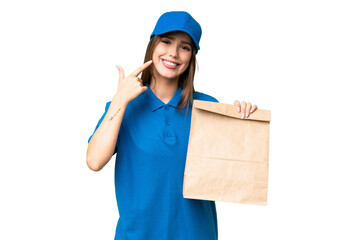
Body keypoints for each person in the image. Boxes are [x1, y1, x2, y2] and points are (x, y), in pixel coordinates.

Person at [87, 11, 257, 240]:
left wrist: (243, 122)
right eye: (166, 42)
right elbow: (94, 161)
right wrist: (120, 100)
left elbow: (237, 173)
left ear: (192, 57)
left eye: (184, 47)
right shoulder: (123, 106)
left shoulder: (208, 107)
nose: (173, 53)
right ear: (153, 45)